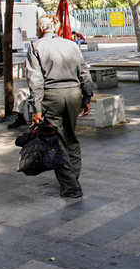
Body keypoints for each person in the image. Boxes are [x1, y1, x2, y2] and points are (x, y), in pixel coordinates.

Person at [26, 14, 94, 198]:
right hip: (73, 94)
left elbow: (35, 79)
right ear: (56, 28)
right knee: (71, 137)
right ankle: (72, 178)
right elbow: (84, 73)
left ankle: (71, 185)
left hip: (52, 97)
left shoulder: (36, 46)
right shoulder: (71, 44)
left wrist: (37, 108)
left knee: (56, 141)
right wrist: (87, 97)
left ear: (41, 28)